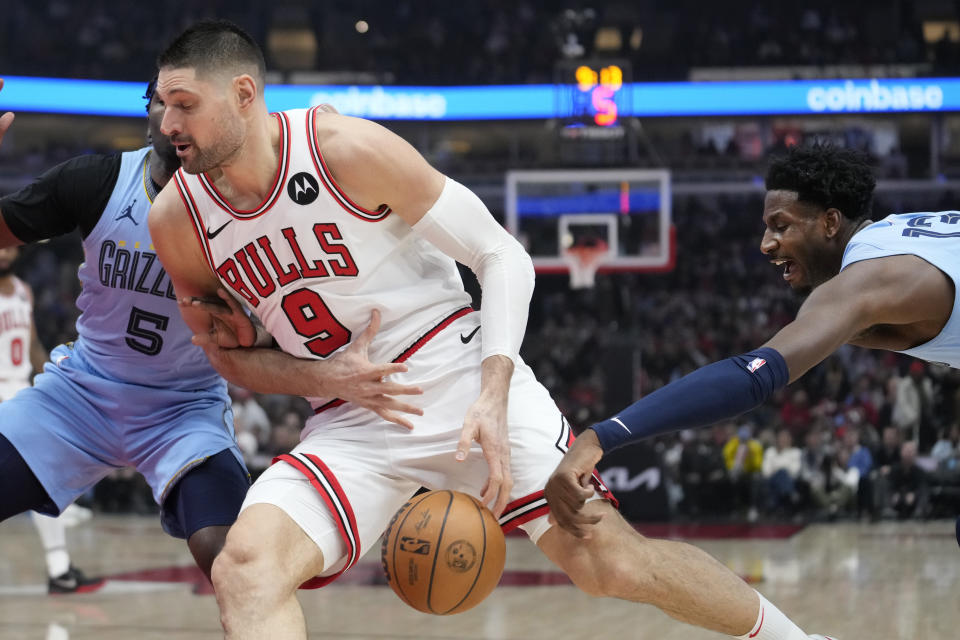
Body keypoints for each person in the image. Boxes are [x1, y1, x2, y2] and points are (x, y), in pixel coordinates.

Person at [147, 20, 827, 640]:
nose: (167, 121)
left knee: (610, 563)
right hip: (348, 418)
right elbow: (226, 357)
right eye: (160, 104)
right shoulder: (176, 218)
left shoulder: (339, 148)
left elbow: (501, 255)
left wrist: (494, 392)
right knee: (246, 566)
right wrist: (320, 377)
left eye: (184, 104)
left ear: (242, 93)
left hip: (462, 379)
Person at [548, 143, 960, 553]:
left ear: (830, 222)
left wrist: (599, 437)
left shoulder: (869, 278)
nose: (766, 244)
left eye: (781, 226)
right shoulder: (903, 235)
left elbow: (754, 374)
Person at [0, 245, 103, 594]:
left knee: (44, 478)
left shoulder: (23, 290)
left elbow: (31, 346)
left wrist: (49, 379)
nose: (3, 252)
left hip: (20, 390)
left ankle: (59, 566)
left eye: (8, 246)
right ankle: (58, 566)